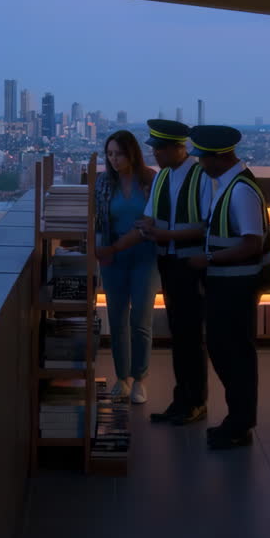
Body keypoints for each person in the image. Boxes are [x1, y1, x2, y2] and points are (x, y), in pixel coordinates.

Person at [109, 119, 208, 424]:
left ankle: (195, 400)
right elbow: (151, 215)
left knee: (190, 335)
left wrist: (165, 236)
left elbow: (207, 225)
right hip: (167, 261)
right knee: (180, 334)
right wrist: (147, 226)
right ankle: (183, 399)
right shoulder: (163, 177)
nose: (157, 155)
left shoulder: (201, 176)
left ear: (180, 148)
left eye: (162, 149)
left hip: (189, 264)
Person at [185, 125, 270, 450]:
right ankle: (236, 421)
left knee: (235, 355)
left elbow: (252, 244)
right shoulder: (228, 185)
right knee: (226, 352)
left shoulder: (240, 191)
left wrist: (208, 259)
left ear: (220, 157)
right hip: (227, 285)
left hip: (236, 287)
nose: (200, 163)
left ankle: (239, 423)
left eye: (204, 157)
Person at [93, 130, 159, 403]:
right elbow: (99, 220)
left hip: (145, 255)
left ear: (131, 153)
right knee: (117, 317)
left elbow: (153, 220)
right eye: (109, 154)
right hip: (114, 257)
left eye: (118, 153)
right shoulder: (104, 183)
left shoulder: (151, 180)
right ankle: (122, 377)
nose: (114, 159)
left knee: (141, 318)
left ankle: (140, 378)